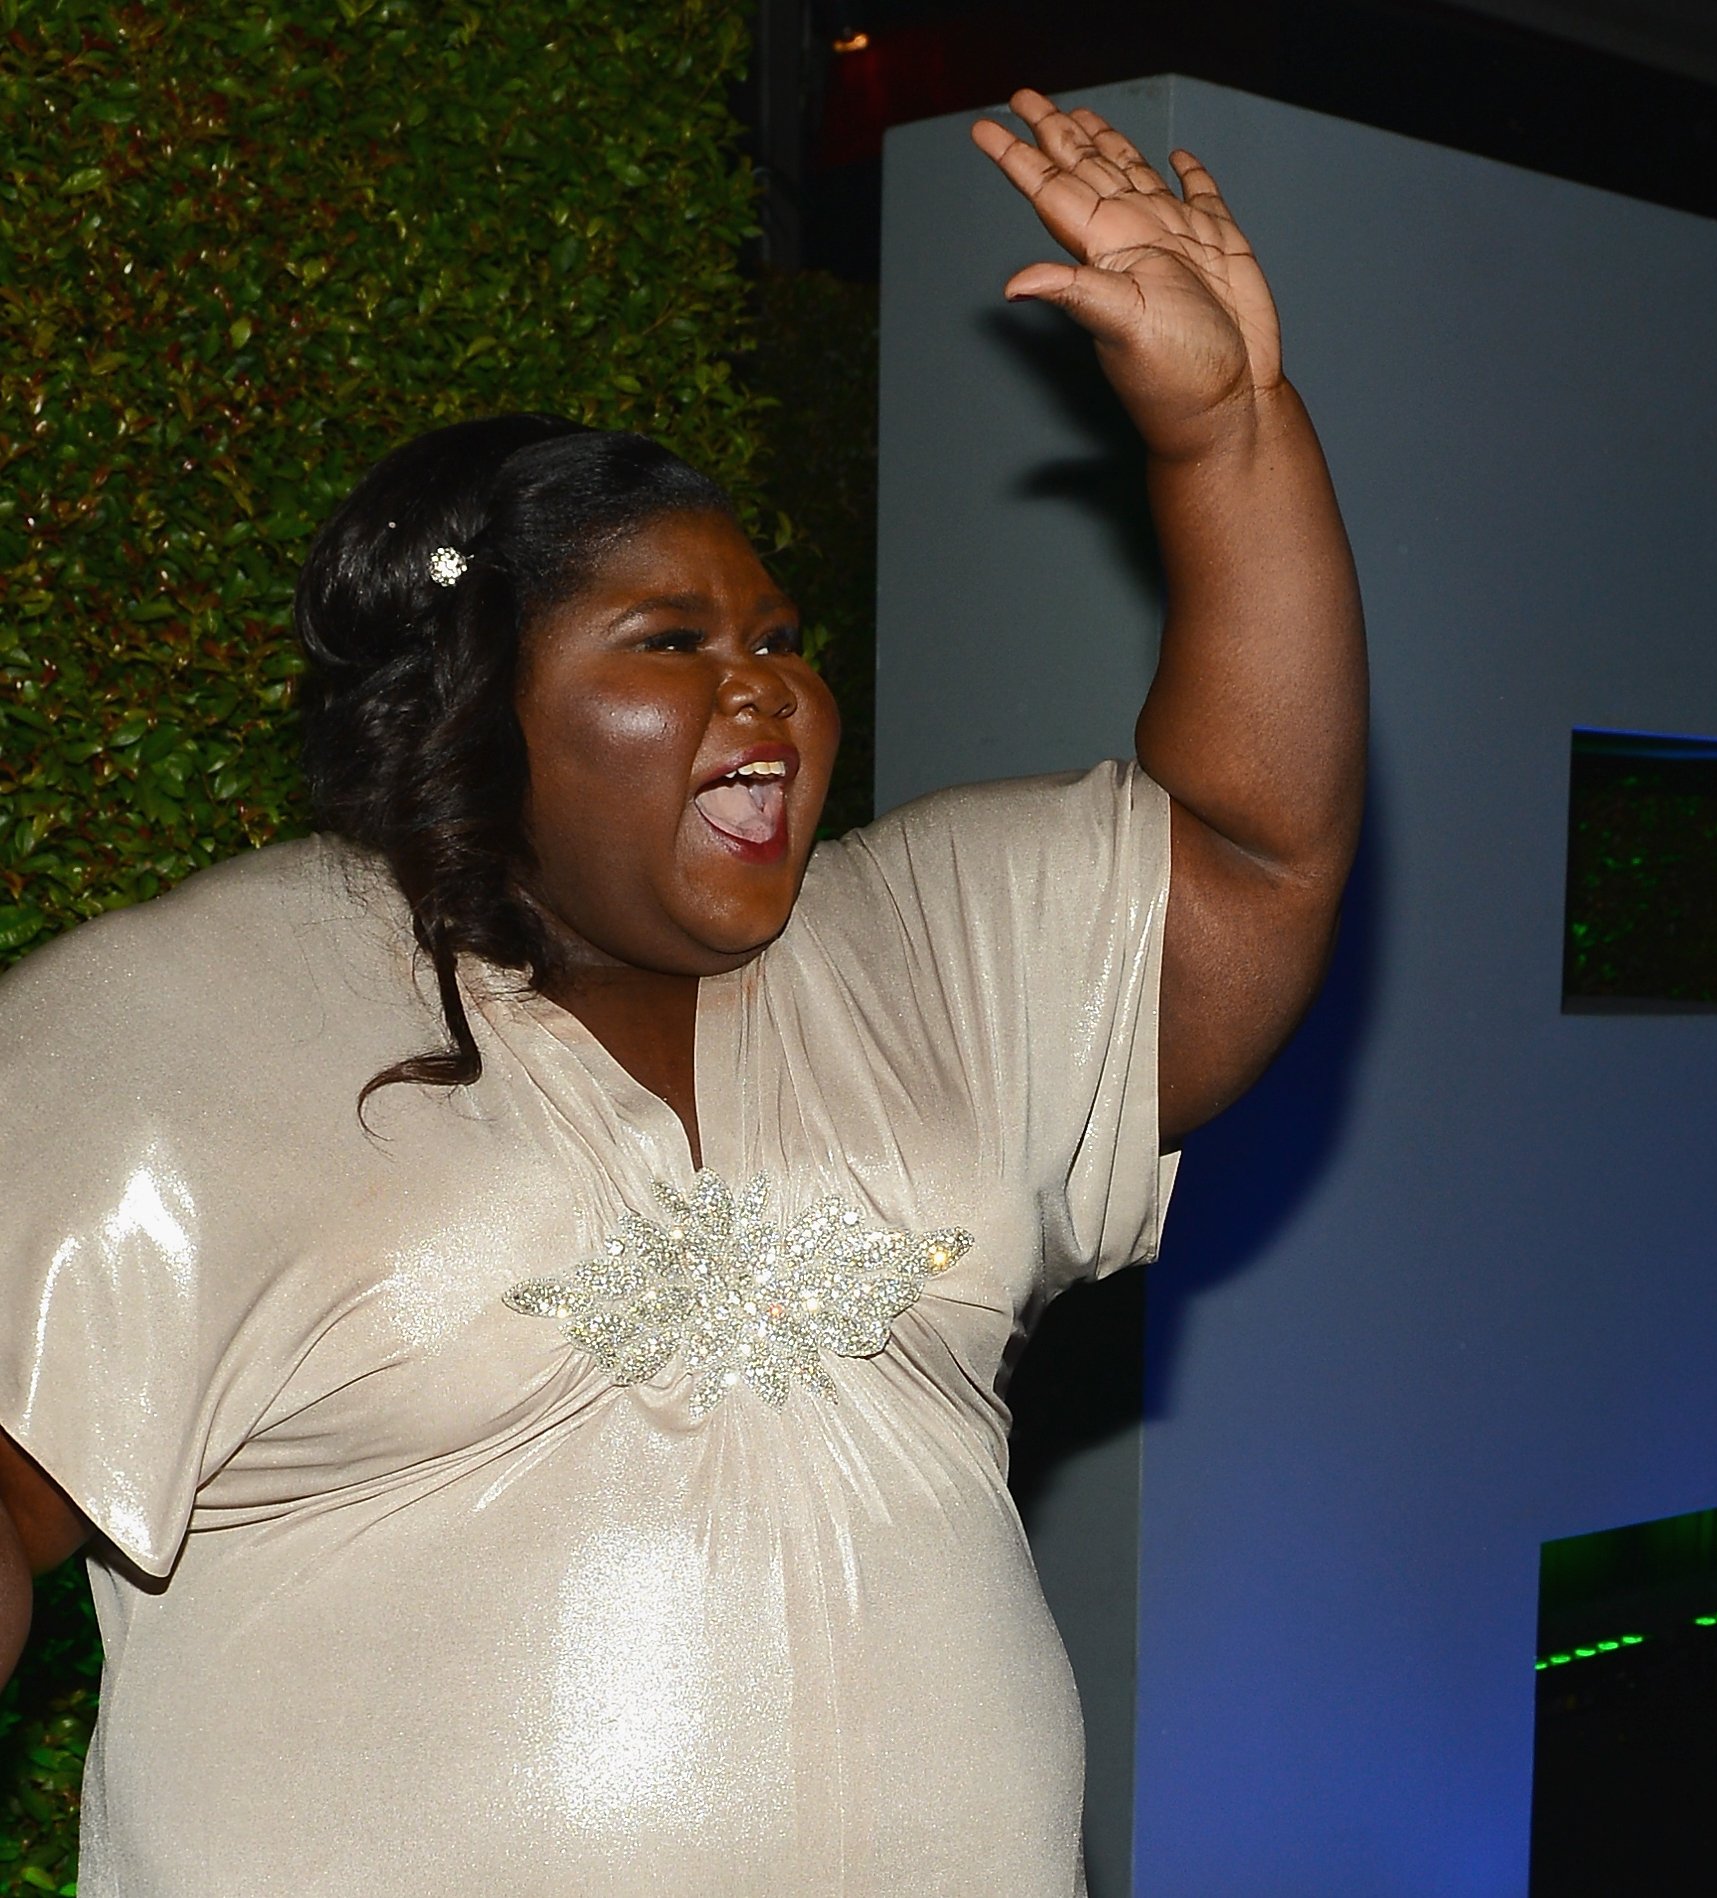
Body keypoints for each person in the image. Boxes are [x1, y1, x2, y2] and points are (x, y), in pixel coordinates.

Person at [0, 91, 1361, 1893]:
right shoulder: (191, 1013)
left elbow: (1261, 848)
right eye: (675, 644)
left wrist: (1227, 433)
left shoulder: (932, 949)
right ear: (472, 700)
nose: (769, 691)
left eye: (783, 643)